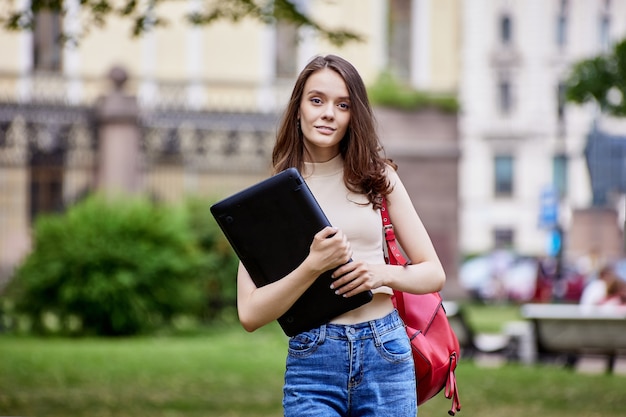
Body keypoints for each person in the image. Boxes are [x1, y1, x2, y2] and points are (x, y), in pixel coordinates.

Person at [236, 54, 446, 416]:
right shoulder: (271, 199)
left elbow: (433, 272)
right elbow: (251, 313)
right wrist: (312, 266)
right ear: (298, 108)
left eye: (342, 104)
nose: (328, 113)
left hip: (386, 351)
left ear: (354, 115)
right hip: (313, 358)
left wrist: (381, 273)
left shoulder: (379, 180)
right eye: (316, 100)